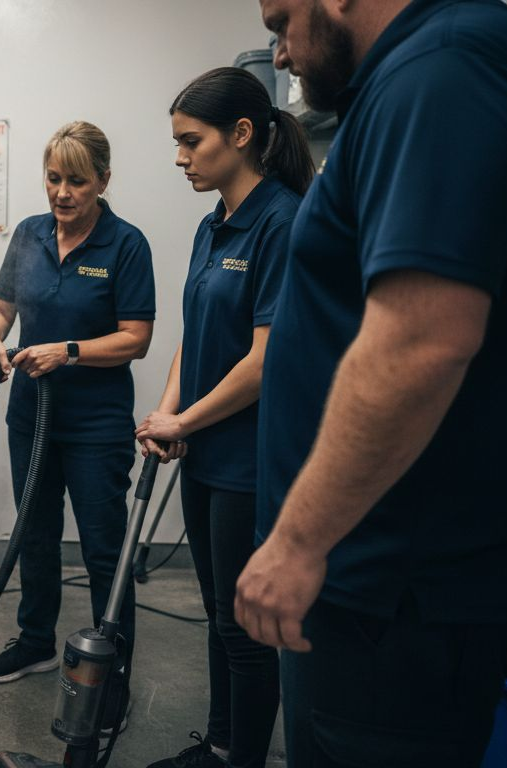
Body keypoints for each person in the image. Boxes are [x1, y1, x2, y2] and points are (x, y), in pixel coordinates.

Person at [235, 1, 507, 766]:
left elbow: (422, 340)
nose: (283, 56)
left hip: (395, 599)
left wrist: (296, 542)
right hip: (382, 587)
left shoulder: (445, 68)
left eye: (282, 22)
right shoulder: (420, 73)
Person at [137, 67, 312, 768]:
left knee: (244, 629)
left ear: (241, 135)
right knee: (218, 618)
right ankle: (218, 746)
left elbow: (266, 362)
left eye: (191, 141)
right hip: (207, 451)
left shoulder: (282, 222)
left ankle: (242, 759)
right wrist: (168, 409)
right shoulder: (215, 224)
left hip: (252, 460)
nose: (180, 157)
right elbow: (196, 333)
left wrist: (187, 423)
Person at [0, 121, 155, 725]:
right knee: (35, 532)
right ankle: (34, 641)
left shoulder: (125, 245)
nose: (62, 192)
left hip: (96, 423)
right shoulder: (29, 235)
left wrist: (69, 351)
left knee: (105, 548)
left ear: (103, 180)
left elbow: (136, 338)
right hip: (30, 415)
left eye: (77, 180)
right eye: (54, 178)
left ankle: (113, 674)